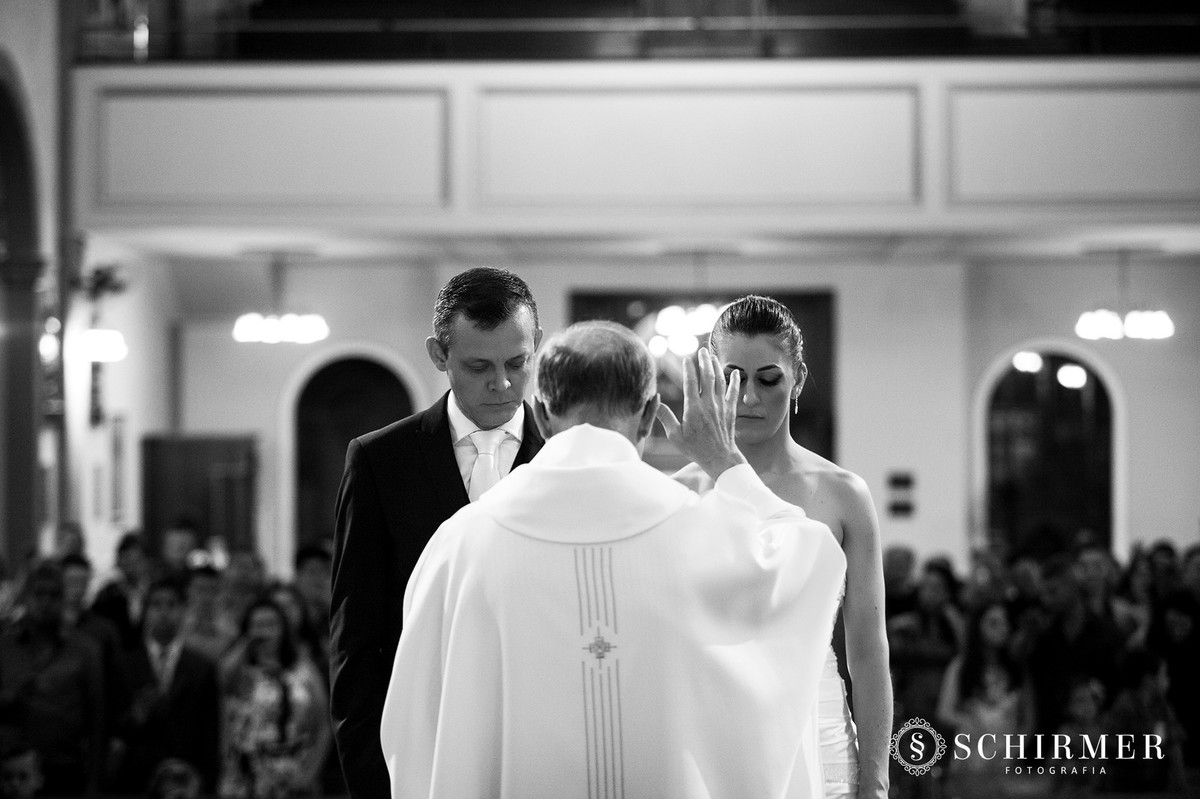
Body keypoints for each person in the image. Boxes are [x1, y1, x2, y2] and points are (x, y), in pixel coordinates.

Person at [380, 323, 846, 798]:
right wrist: (726, 462)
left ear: (541, 415)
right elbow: (812, 556)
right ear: (648, 415)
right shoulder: (704, 531)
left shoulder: (461, 544)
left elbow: (413, 732)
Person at [331, 266, 544, 799]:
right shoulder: (380, 461)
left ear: (537, 344)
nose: (502, 384)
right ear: (438, 355)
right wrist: (373, 781)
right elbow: (356, 640)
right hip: (422, 748)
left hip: (543, 750)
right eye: (478, 366)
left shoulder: (568, 456)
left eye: (517, 363)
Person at [672, 295, 892, 799]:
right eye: (733, 378)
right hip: (713, 735)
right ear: (711, 379)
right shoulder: (679, 491)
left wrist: (876, 781)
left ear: (798, 380)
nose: (749, 396)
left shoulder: (842, 494)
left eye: (768, 379)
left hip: (819, 729)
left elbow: (867, 649)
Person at [0, 562, 104, 796]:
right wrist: (10, 697)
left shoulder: (85, 649)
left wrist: (95, 782)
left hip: (65, 769)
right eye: (39, 594)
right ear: (26, 597)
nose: (45, 602)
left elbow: (98, 720)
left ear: (63, 599)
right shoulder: (5, 645)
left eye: (53, 595)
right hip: (12, 771)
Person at [219, 598, 330, 799]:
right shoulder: (241, 670)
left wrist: (310, 774)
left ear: (284, 628)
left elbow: (322, 725)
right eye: (257, 625)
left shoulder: (304, 669)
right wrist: (247, 642)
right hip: (249, 774)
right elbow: (221, 679)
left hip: (295, 770)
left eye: (271, 624)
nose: (264, 631)